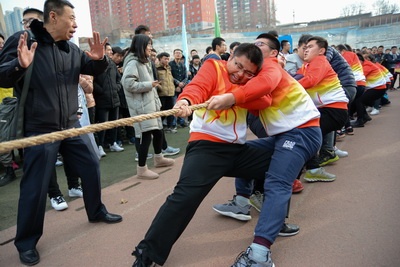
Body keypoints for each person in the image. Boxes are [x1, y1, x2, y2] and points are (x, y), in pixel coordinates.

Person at [0, 1, 122, 265]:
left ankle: (96, 211)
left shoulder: (72, 49)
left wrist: (100, 60)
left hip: (70, 125)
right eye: (72, 18)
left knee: (91, 165)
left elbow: (90, 69)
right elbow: (2, 77)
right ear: (53, 16)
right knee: (35, 186)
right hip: (39, 130)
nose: (76, 24)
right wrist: (19, 66)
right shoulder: (23, 40)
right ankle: (26, 242)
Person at [131, 43, 275, 267]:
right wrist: (185, 101)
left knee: (286, 155)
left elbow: (266, 100)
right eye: (238, 66)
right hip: (207, 148)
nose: (240, 74)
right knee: (184, 198)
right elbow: (197, 87)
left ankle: (265, 203)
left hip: (238, 150)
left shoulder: (249, 84)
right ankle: (146, 253)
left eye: (248, 73)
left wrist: (236, 96)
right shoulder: (214, 67)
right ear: (230, 58)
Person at [211, 34, 322, 266]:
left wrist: (231, 97)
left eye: (260, 44)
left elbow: (265, 86)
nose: (255, 46)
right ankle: (243, 203)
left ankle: (260, 254)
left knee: (277, 183)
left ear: (274, 53)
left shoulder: (270, 66)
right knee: (242, 154)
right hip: (285, 135)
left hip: (302, 132)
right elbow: (262, 102)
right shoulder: (254, 75)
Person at [121, 34, 174, 180]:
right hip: (141, 105)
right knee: (145, 136)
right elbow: (128, 84)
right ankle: (142, 169)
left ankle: (159, 158)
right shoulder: (133, 62)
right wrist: (148, 85)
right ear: (141, 46)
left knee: (158, 132)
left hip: (150, 103)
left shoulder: (144, 61)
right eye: (148, 45)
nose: (151, 48)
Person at [297, 36, 349, 182]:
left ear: (321, 51)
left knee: (307, 134)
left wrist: (287, 86)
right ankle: (313, 167)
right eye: (305, 46)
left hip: (334, 110)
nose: (306, 49)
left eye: (310, 46)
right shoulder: (305, 66)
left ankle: (311, 168)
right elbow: (295, 78)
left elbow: (310, 80)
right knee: (307, 133)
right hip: (325, 109)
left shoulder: (320, 60)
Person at [93, 42, 124, 156]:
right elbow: (93, 81)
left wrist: (117, 88)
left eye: (111, 50)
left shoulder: (112, 63)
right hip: (102, 100)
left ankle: (113, 143)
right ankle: (100, 146)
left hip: (114, 99)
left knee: (114, 123)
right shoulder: (96, 63)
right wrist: (101, 91)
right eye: (109, 50)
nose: (111, 52)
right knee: (103, 124)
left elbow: (118, 79)